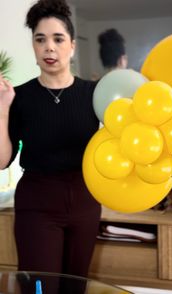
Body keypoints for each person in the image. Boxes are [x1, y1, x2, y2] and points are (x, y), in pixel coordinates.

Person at [0, 0, 101, 278]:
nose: (49, 47)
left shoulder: (95, 94)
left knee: (75, 286)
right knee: (39, 288)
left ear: (72, 46)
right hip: (37, 204)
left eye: (58, 39)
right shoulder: (18, 97)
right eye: (40, 39)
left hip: (85, 201)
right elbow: (1, 161)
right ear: (33, 46)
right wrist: (2, 109)